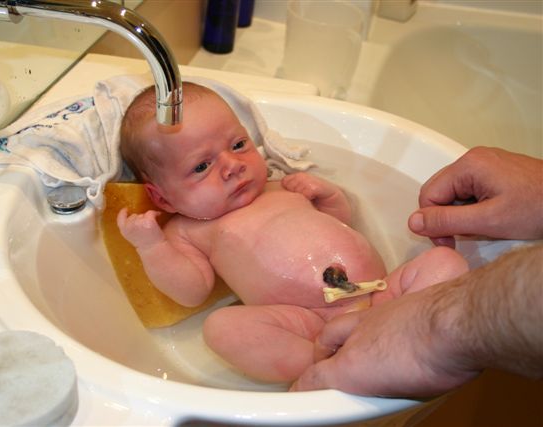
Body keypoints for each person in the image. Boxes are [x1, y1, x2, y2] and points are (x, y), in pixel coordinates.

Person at [116, 82, 469, 383]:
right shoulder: (189, 231)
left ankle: (411, 329)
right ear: (162, 197)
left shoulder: (278, 185)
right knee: (222, 328)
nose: (232, 166)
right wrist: (151, 246)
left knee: (444, 262)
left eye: (238, 144)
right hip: (311, 322)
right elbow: (191, 292)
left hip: (382, 292)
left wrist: (329, 196)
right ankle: (327, 366)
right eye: (201, 166)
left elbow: (342, 221)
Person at [292, 147, 543, 395]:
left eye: (249, 144)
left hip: (383, 293)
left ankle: (385, 339)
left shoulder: (285, 191)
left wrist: (433, 323)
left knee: (444, 260)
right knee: (255, 335)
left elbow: (340, 216)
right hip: (303, 317)